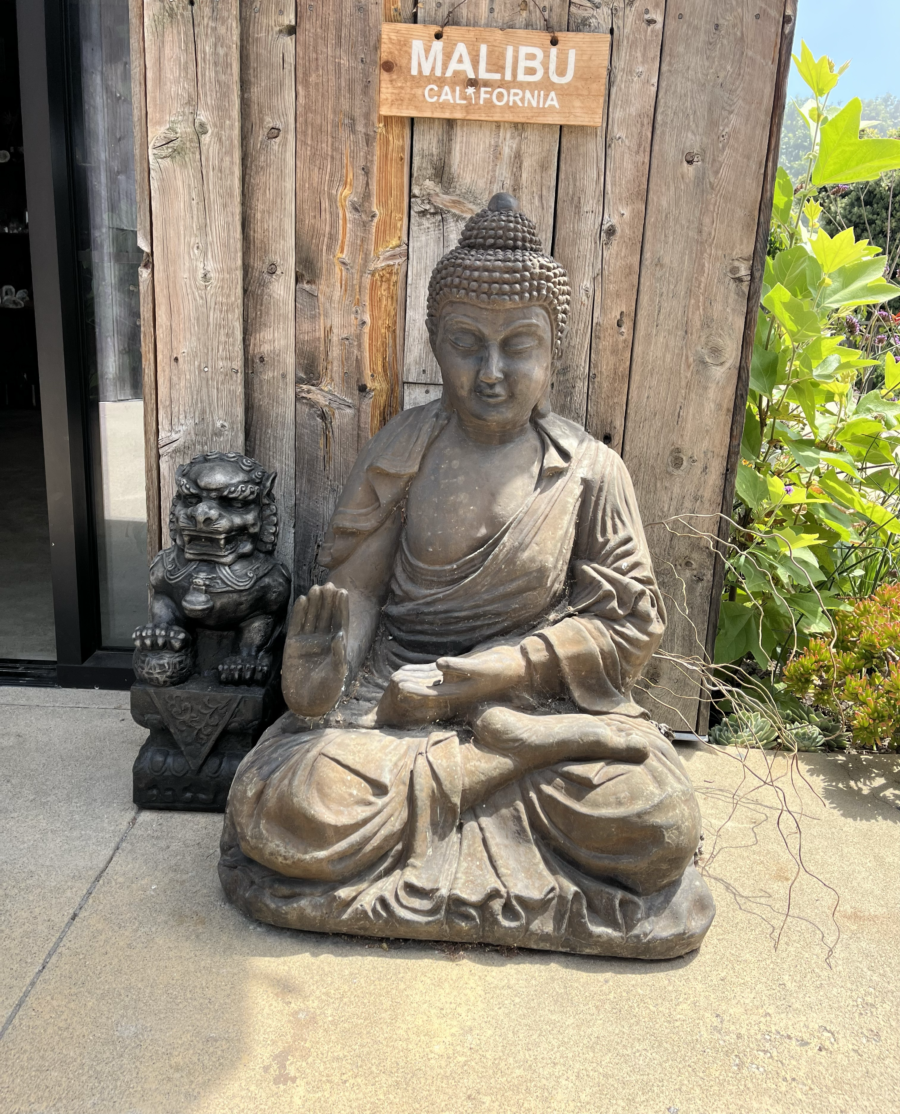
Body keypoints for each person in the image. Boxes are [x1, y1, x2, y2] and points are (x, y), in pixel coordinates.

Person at [219, 194, 715, 958]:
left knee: (654, 817)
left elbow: (628, 630)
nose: (491, 373)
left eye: (519, 346)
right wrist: (324, 670)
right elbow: (355, 595)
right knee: (288, 800)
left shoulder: (588, 472)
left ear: (554, 351)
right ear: (434, 345)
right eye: (465, 344)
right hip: (394, 703)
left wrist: (482, 678)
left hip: (534, 704)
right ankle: (497, 761)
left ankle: (511, 752)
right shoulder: (405, 450)